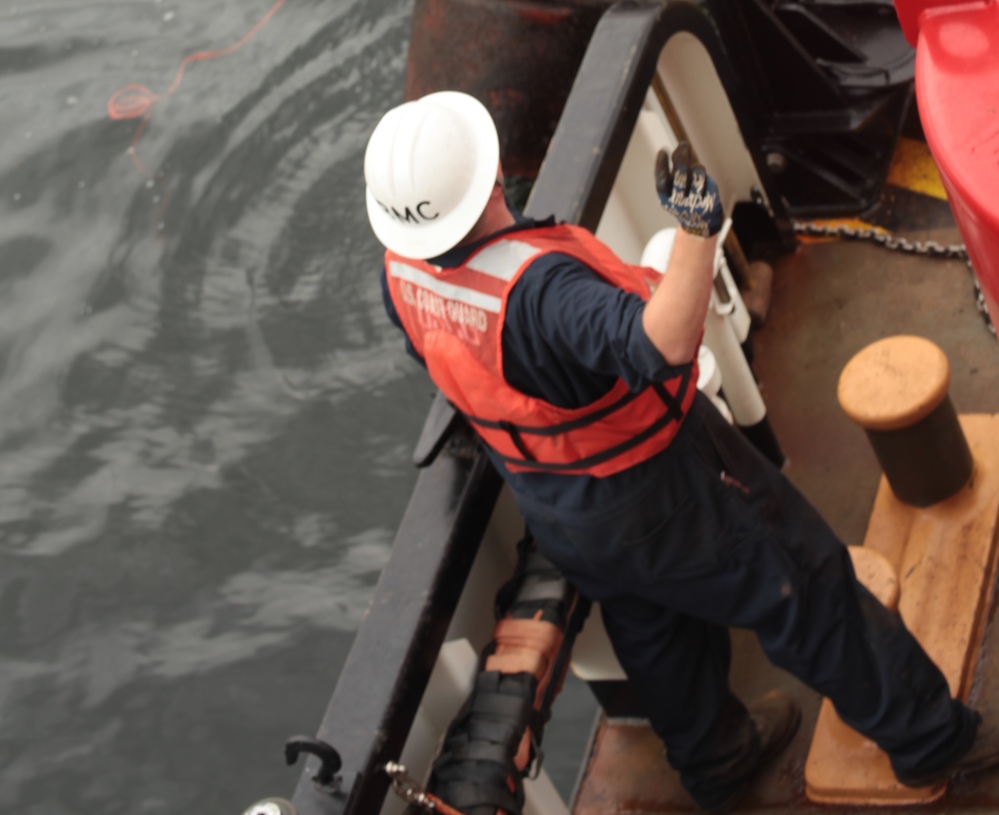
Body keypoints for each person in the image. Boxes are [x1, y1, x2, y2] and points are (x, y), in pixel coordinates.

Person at [364, 90, 995, 812]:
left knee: (654, 630)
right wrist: (697, 229)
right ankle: (931, 739)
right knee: (804, 585)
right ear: (491, 170)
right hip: (660, 484)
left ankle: (720, 768)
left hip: (554, 500)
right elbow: (660, 345)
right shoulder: (542, 292)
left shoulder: (401, 277)